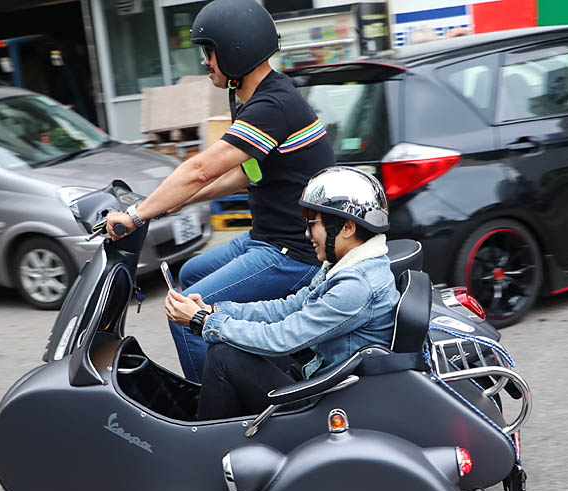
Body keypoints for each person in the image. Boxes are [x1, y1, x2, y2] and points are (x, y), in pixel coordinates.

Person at [105, 0, 334, 382]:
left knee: (184, 312)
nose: (205, 62)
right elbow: (245, 175)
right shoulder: (255, 98)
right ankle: (239, 363)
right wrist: (162, 206)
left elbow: (198, 169)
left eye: (207, 52)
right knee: (190, 274)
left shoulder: (272, 106)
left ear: (234, 49)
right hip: (268, 239)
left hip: (293, 253)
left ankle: (212, 412)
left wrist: (135, 215)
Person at [164, 167, 399, 421]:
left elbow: (282, 338)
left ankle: (205, 446)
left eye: (313, 224)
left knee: (224, 356)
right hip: (319, 374)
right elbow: (288, 307)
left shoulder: (356, 284)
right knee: (231, 345)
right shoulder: (345, 265)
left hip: (329, 399)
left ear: (347, 227)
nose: (307, 234)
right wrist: (216, 310)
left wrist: (202, 322)